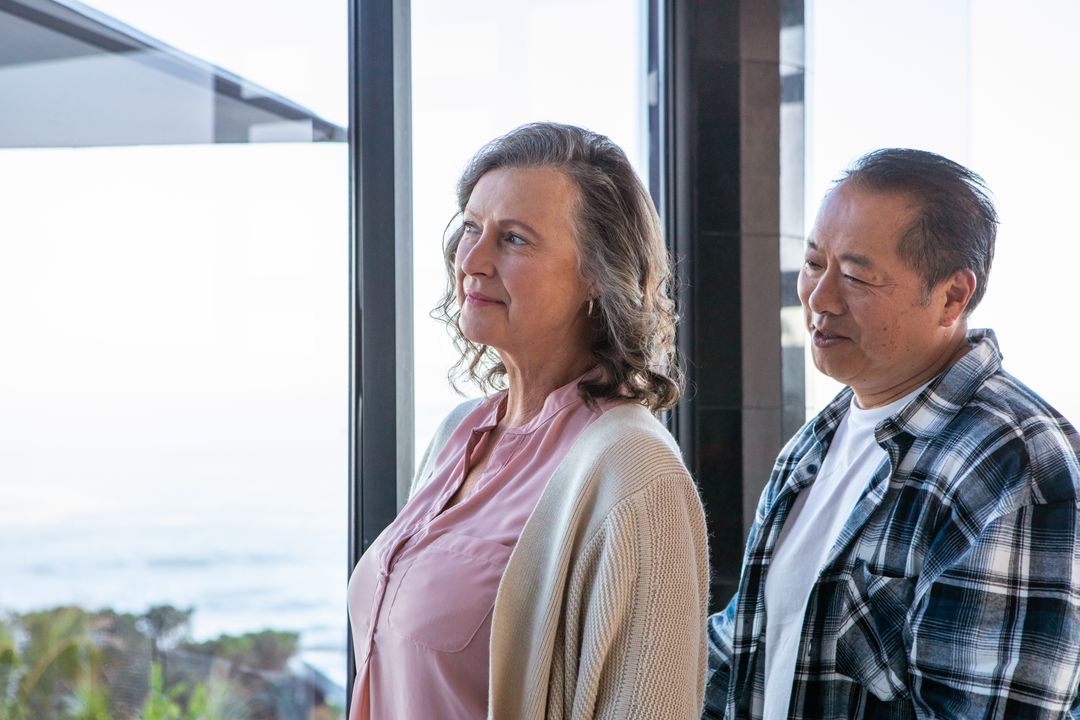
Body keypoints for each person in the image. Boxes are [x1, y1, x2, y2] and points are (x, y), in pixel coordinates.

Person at [347, 122, 710, 720]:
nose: (472, 261)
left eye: (514, 239)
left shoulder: (635, 470)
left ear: (598, 274)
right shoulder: (458, 433)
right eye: (471, 228)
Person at [703, 148, 1080, 719]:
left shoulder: (1015, 466)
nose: (818, 299)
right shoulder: (816, 442)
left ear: (952, 297)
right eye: (813, 263)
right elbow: (740, 651)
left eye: (856, 277)